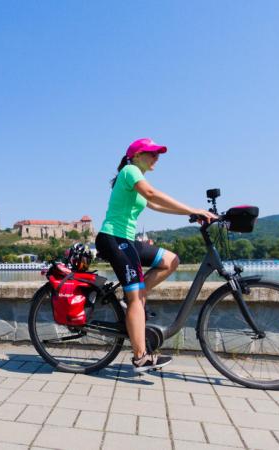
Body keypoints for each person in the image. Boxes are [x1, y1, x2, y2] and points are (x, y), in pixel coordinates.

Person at [95, 138, 216, 373]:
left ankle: (134, 301)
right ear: (137, 154)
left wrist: (190, 215)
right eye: (152, 153)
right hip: (114, 238)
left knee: (171, 260)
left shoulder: (136, 176)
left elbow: (156, 205)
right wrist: (193, 209)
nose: (156, 158)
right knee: (136, 297)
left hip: (127, 241)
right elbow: (151, 194)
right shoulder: (130, 171)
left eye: (158, 154)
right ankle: (141, 357)